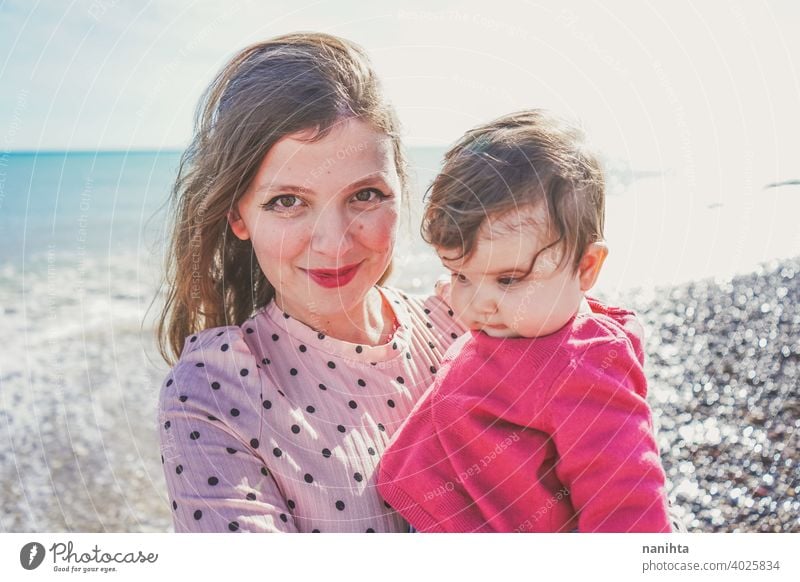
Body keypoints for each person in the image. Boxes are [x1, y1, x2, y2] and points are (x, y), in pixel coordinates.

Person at [156, 32, 465, 533]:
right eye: (287, 201)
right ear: (239, 215)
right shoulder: (213, 395)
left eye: (365, 194)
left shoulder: (463, 326)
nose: (334, 243)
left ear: (401, 190)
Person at [376, 110, 673, 532]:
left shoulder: (586, 364)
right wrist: (463, 286)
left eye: (509, 279)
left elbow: (628, 497)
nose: (478, 304)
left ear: (586, 266)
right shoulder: (520, 316)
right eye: (462, 274)